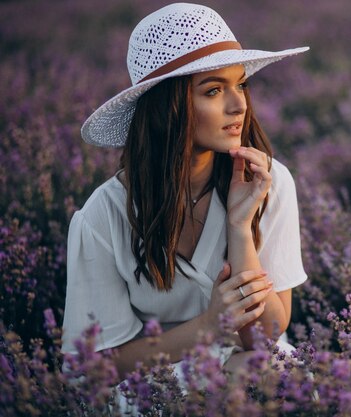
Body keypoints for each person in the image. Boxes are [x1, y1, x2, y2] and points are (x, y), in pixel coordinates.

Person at [61, 2, 309, 379]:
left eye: (240, 84)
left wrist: (240, 228)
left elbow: (267, 337)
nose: (238, 104)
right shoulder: (104, 215)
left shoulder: (270, 183)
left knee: (279, 373)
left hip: (254, 361)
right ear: (166, 107)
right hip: (156, 381)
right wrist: (208, 327)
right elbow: (95, 366)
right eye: (213, 91)